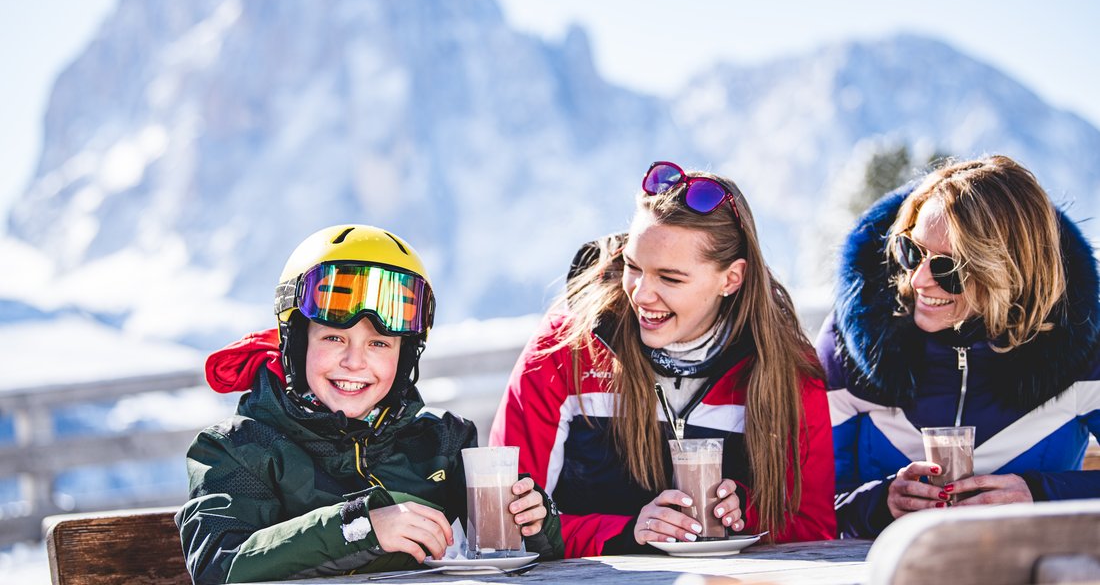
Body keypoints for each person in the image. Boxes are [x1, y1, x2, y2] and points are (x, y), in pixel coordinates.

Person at [176, 225, 563, 583]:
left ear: (405, 357)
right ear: (296, 343)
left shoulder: (442, 444)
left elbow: (517, 563)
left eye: (379, 343)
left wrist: (533, 523)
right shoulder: (237, 450)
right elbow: (220, 567)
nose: (355, 362)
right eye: (334, 338)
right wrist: (360, 528)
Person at [489, 161, 837, 557]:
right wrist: (627, 533)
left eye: (670, 278)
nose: (640, 294)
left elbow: (813, 529)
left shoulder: (787, 370)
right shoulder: (564, 349)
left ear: (731, 278)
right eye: (633, 267)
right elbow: (503, 524)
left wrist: (746, 512)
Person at [817, 155, 1100, 538]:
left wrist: (1040, 495)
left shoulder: (1085, 346)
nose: (917, 280)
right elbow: (808, 505)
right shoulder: (847, 345)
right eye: (912, 252)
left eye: (949, 270)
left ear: (1009, 273)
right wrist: (880, 502)